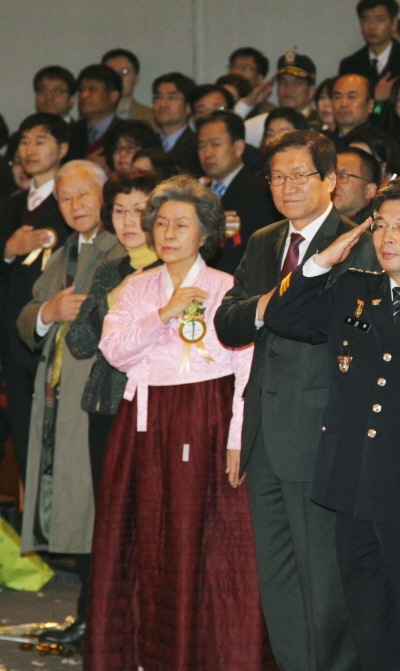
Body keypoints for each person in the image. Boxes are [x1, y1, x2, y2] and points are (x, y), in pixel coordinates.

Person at [81, 176, 271, 669]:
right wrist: (163, 314)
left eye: (180, 224)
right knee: (143, 535)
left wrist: (237, 437)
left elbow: (246, 367)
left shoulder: (228, 288)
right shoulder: (137, 288)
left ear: (204, 232)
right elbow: (114, 351)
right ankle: (142, 654)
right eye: (160, 223)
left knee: (208, 542)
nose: (167, 233)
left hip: (207, 415)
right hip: (144, 420)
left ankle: (204, 655)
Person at [265, 176, 400, 671]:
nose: (387, 237)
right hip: (352, 480)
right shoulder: (353, 289)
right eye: (380, 225)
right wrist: (322, 261)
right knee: (368, 621)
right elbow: (283, 316)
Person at [214, 130, 371, 671]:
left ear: (330, 180)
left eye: (300, 175)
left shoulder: (356, 243)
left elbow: (319, 327)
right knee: (278, 582)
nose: (286, 186)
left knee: (324, 583)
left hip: (319, 430)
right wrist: (274, 302)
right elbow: (229, 323)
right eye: (277, 176)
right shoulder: (262, 242)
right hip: (264, 432)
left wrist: (272, 304)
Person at [17, 160, 125, 648]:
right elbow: (27, 314)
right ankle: (88, 613)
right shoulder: (61, 252)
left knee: (92, 511)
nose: (76, 204)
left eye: (85, 194)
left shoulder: (119, 249)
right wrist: (46, 312)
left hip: (96, 397)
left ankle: (97, 617)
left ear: (104, 198)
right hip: (56, 398)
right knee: (75, 509)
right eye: (65, 197)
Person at [65, 169, 162, 503]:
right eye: (120, 211)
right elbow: (77, 342)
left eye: (139, 210)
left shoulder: (175, 268)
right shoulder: (109, 269)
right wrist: (111, 298)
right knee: (110, 515)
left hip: (157, 408)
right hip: (105, 404)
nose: (129, 221)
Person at [0, 114, 71, 484]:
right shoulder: (9, 206)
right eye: (24, 141)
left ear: (62, 149)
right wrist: (8, 250)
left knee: (58, 436)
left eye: (40, 141)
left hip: (55, 333)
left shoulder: (70, 203)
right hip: (10, 338)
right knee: (25, 434)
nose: (29, 149)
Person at [198, 111, 278, 273]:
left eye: (215, 144)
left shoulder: (262, 193)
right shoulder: (197, 195)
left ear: (239, 147)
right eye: (201, 146)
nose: (207, 153)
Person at [339, 0, 400, 102]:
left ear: (394, 23)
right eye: (366, 20)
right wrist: (375, 96)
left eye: (380, 20)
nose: (372, 26)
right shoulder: (349, 65)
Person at [244, 51, 322, 149]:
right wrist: (246, 104)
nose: (288, 88)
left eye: (296, 83)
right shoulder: (260, 123)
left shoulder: (323, 124)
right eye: (282, 82)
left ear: (311, 91)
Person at [68, 64, 126, 166]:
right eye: (81, 90)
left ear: (113, 96)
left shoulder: (128, 132)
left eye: (92, 89)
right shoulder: (69, 133)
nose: (84, 95)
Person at [152, 72, 201, 175]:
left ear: (188, 107)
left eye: (172, 98)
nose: (162, 104)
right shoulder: (147, 142)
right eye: (158, 97)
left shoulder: (197, 146)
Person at [102, 48, 155, 128]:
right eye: (111, 72)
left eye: (124, 72)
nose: (118, 78)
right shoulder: (93, 116)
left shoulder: (153, 118)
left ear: (136, 78)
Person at [333, 146, 381, 224]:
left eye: (342, 176)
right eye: (330, 176)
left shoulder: (376, 230)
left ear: (369, 190)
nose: (333, 184)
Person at [228, 46, 276, 118]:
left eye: (245, 68)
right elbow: (220, 109)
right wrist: (221, 106)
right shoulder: (223, 105)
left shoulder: (268, 112)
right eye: (233, 67)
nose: (236, 72)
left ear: (260, 78)